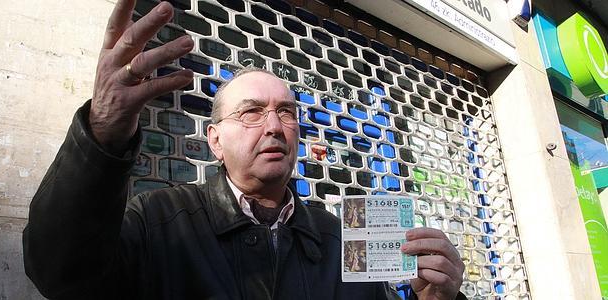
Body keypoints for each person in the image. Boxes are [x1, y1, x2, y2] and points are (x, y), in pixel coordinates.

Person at [23, 1, 466, 299]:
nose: (274, 126)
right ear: (214, 140)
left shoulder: (340, 240)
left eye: (287, 113)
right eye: (251, 113)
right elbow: (60, 276)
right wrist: (102, 131)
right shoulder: (158, 220)